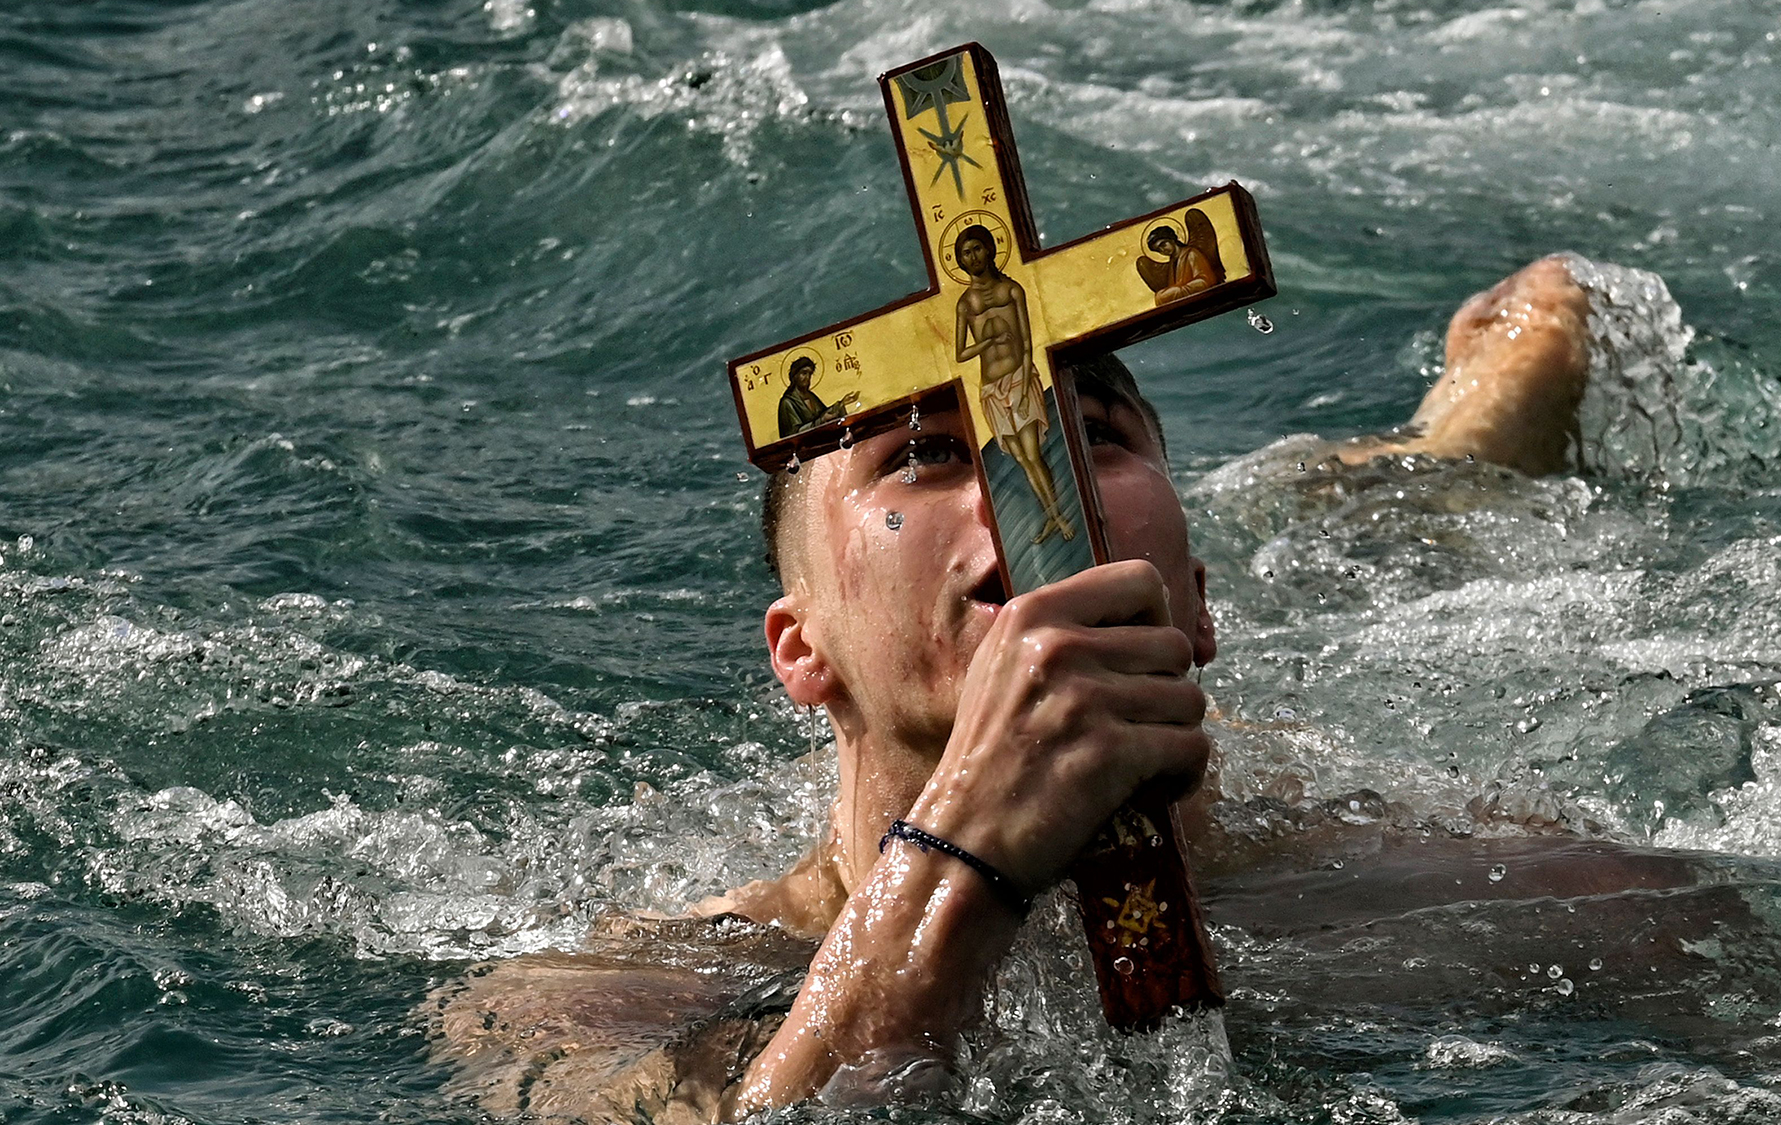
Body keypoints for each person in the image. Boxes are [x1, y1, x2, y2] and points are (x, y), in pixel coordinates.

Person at [432, 255, 1699, 1121]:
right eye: (924, 455)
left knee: (1468, 456)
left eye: (1091, 437)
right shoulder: (607, 998)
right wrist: (962, 857)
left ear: (1192, 600)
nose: (1036, 492)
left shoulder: (1518, 885)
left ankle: (1483, 416)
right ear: (798, 649)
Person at [952, 224, 1076, 544]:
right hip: (990, 389)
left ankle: (1059, 514)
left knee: (1034, 454)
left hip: (1019, 379)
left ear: (990, 249)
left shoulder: (1011, 289)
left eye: (977, 248)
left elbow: (1027, 342)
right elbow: (961, 352)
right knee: (1022, 459)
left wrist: (1023, 389)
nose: (973, 257)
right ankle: (1051, 515)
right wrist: (988, 341)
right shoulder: (965, 303)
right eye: (966, 253)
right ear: (960, 261)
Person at [776, 356, 858, 438]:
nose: (807, 378)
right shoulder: (787, 402)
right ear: (794, 376)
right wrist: (821, 421)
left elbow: (824, 413)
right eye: (804, 373)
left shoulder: (810, 396)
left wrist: (841, 403)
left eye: (810, 374)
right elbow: (794, 433)